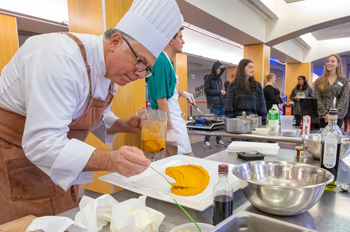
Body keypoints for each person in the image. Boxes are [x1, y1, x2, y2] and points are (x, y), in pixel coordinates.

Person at [0, 0, 183, 223]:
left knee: (62, 220)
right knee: (29, 223)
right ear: (115, 41)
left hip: (57, 162)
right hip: (16, 160)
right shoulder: (60, 59)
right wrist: (110, 160)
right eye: (140, 62)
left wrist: (123, 125)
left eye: (147, 69)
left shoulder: (110, 73)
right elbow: (42, 141)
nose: (139, 74)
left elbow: (89, 115)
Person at [148, 27, 195, 157]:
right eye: (180, 37)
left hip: (173, 122)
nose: (183, 41)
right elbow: (161, 100)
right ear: (170, 40)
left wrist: (182, 93)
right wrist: (170, 130)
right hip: (170, 123)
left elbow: (168, 93)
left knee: (183, 162)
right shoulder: (162, 62)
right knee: (182, 164)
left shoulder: (168, 62)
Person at [225, 59, 267, 124]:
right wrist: (231, 123)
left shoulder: (257, 85)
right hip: (238, 124)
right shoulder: (233, 85)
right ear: (242, 68)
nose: (253, 70)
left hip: (254, 123)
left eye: (253, 67)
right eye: (250, 67)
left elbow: (262, 105)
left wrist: (263, 122)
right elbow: (229, 106)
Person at [313, 54, 349, 128]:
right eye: (328, 61)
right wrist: (325, 114)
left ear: (338, 64)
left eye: (333, 61)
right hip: (322, 116)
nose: (329, 63)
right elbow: (316, 97)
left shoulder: (343, 80)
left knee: (335, 137)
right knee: (322, 137)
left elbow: (344, 98)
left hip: (337, 116)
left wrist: (334, 114)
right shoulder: (319, 81)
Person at [203, 61, 226, 149]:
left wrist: (222, 93)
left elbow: (220, 90)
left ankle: (218, 139)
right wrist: (219, 92)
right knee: (211, 123)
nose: (219, 70)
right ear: (214, 68)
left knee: (221, 124)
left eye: (220, 69)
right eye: (218, 68)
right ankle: (206, 141)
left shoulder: (219, 79)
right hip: (214, 105)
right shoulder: (208, 78)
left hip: (221, 104)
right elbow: (207, 90)